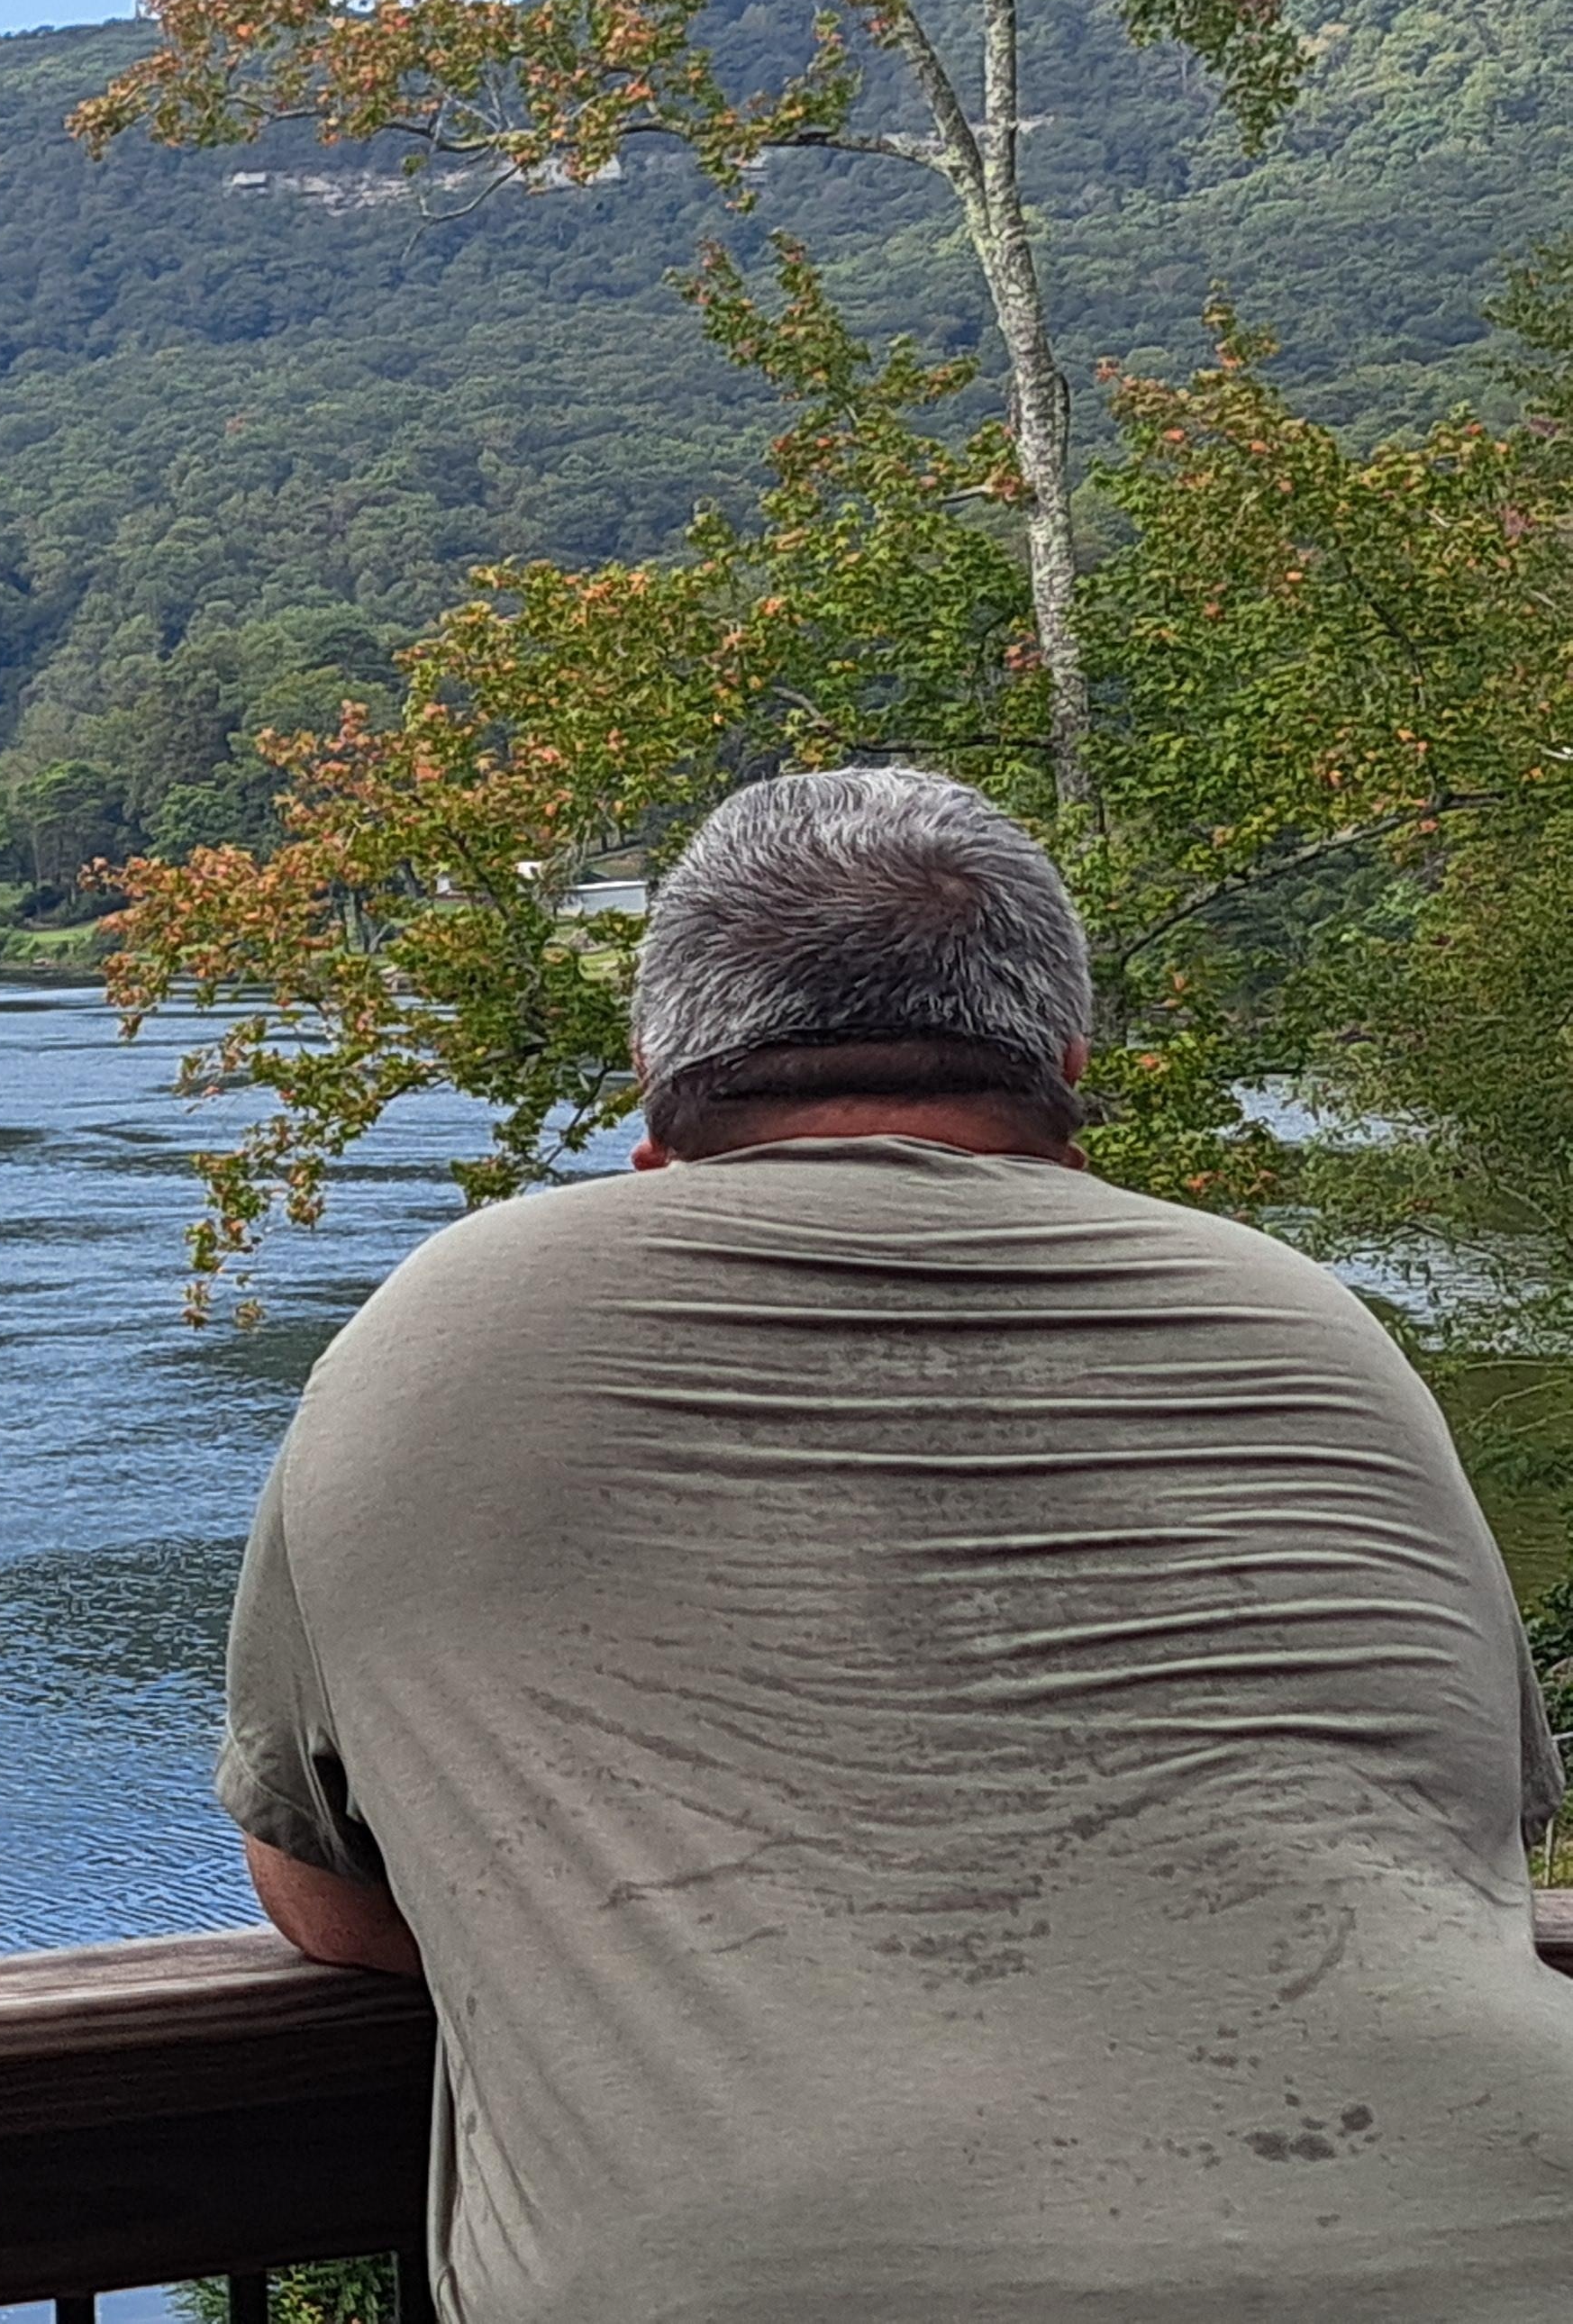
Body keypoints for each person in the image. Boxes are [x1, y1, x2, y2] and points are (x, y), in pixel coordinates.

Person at [216, 767, 1573, 2320]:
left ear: (657, 1075)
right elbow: (1464, 1845)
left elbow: (330, 1899)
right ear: (1066, 1071)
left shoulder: (445, 1331)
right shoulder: (1308, 1322)